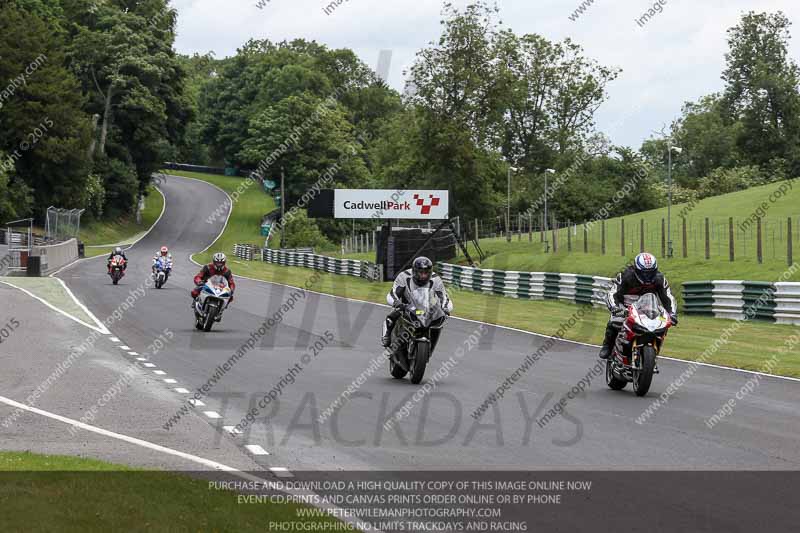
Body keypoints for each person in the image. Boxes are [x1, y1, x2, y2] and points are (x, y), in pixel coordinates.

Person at [599, 252, 678, 359]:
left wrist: (672, 313)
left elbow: (668, 297)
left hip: (649, 308)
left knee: (663, 324)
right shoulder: (625, 276)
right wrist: (615, 308)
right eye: (644, 273)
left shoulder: (660, 279)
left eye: (651, 273)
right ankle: (607, 345)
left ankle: (654, 348)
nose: (648, 276)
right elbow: (612, 293)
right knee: (615, 321)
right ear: (636, 270)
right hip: (626, 307)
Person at [381, 256, 453, 349]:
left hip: (426, 308)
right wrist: (397, 302)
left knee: (440, 320)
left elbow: (444, 297)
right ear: (414, 271)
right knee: (392, 315)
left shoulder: (436, 279)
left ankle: (431, 343)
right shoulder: (404, 276)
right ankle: (387, 334)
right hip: (406, 306)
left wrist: (445, 308)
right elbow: (393, 293)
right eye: (421, 273)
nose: (423, 276)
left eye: (426, 273)